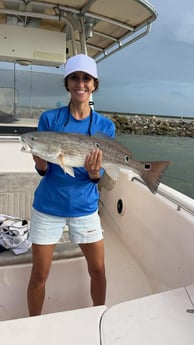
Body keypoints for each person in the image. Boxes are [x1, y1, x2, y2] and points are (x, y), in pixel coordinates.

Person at [27, 54, 115, 316]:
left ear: (94, 84)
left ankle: (98, 317)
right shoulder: (50, 119)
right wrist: (41, 163)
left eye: (86, 78)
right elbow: (44, 170)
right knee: (39, 274)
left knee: (98, 270)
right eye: (74, 78)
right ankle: (35, 324)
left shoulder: (104, 126)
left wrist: (94, 173)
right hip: (48, 206)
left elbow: (99, 176)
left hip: (85, 206)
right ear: (67, 83)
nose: (80, 84)